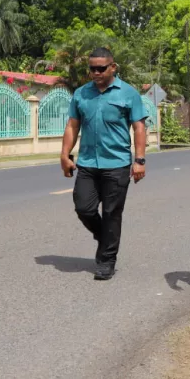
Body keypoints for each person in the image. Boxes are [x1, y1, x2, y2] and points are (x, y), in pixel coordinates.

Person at [60, 47, 147, 281]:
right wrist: (65, 154)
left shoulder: (128, 93)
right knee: (84, 208)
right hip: (88, 163)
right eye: (92, 69)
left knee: (111, 213)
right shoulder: (81, 94)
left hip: (117, 164)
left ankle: (107, 261)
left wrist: (139, 160)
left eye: (101, 68)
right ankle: (105, 237)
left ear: (113, 67)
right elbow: (72, 125)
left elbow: (139, 127)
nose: (96, 73)